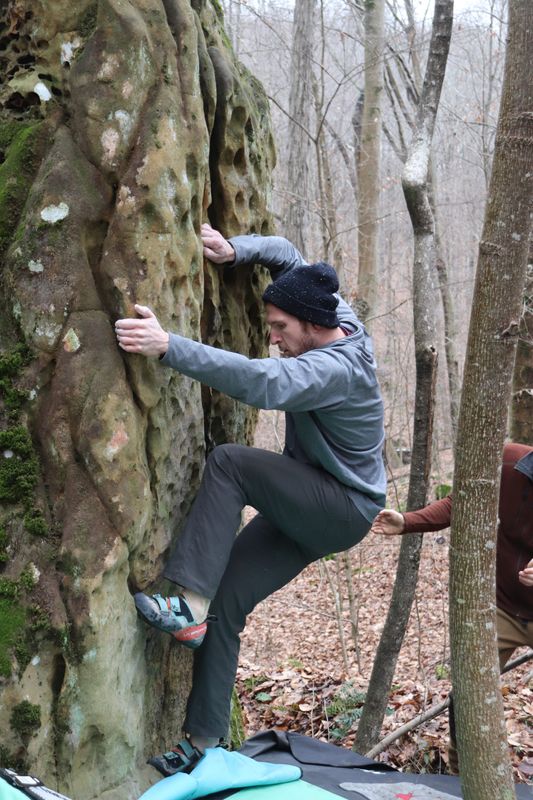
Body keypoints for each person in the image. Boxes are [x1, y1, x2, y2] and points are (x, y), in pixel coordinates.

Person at [115, 224, 386, 770]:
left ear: (313, 325)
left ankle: (187, 602)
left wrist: (170, 347)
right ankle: (203, 743)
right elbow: (289, 255)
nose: (274, 336)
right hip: (315, 504)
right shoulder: (336, 316)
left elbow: (261, 383)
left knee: (230, 462)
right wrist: (237, 250)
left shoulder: (337, 368)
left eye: (281, 328)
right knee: (229, 604)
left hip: (339, 507)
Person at [371, 441, 533, 772]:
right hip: (502, 607)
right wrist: (407, 521)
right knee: (467, 695)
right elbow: (462, 501)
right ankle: (466, 776)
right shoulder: (508, 464)